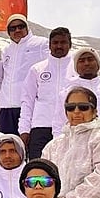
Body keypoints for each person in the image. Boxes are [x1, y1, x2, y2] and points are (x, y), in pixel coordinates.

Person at [19, 27, 76, 159]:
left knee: (66, 171)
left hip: (69, 127)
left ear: (70, 44)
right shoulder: (37, 69)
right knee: (39, 170)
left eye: (63, 42)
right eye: (55, 43)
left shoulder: (76, 68)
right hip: (41, 128)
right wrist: (24, 130)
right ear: (50, 45)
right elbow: (27, 101)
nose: (59, 46)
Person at [0, 14, 49, 135]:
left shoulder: (41, 44)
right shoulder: (6, 50)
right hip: (6, 108)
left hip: (28, 106)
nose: (17, 30)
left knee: (29, 147)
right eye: (13, 28)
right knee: (8, 148)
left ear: (27, 27)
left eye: (21, 26)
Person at [54, 47, 100, 129]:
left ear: (98, 64)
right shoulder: (66, 93)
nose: (86, 63)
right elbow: (58, 124)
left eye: (90, 59)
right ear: (76, 67)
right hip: (77, 139)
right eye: (81, 61)